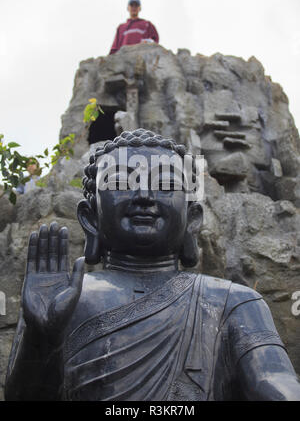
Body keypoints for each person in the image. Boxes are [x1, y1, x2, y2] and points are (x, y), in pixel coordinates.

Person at [5, 129, 300, 401]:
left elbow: (273, 380)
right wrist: (40, 337)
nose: (144, 196)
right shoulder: (64, 299)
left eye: (166, 183)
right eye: (120, 181)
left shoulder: (234, 302)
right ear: (90, 217)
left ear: (192, 217)